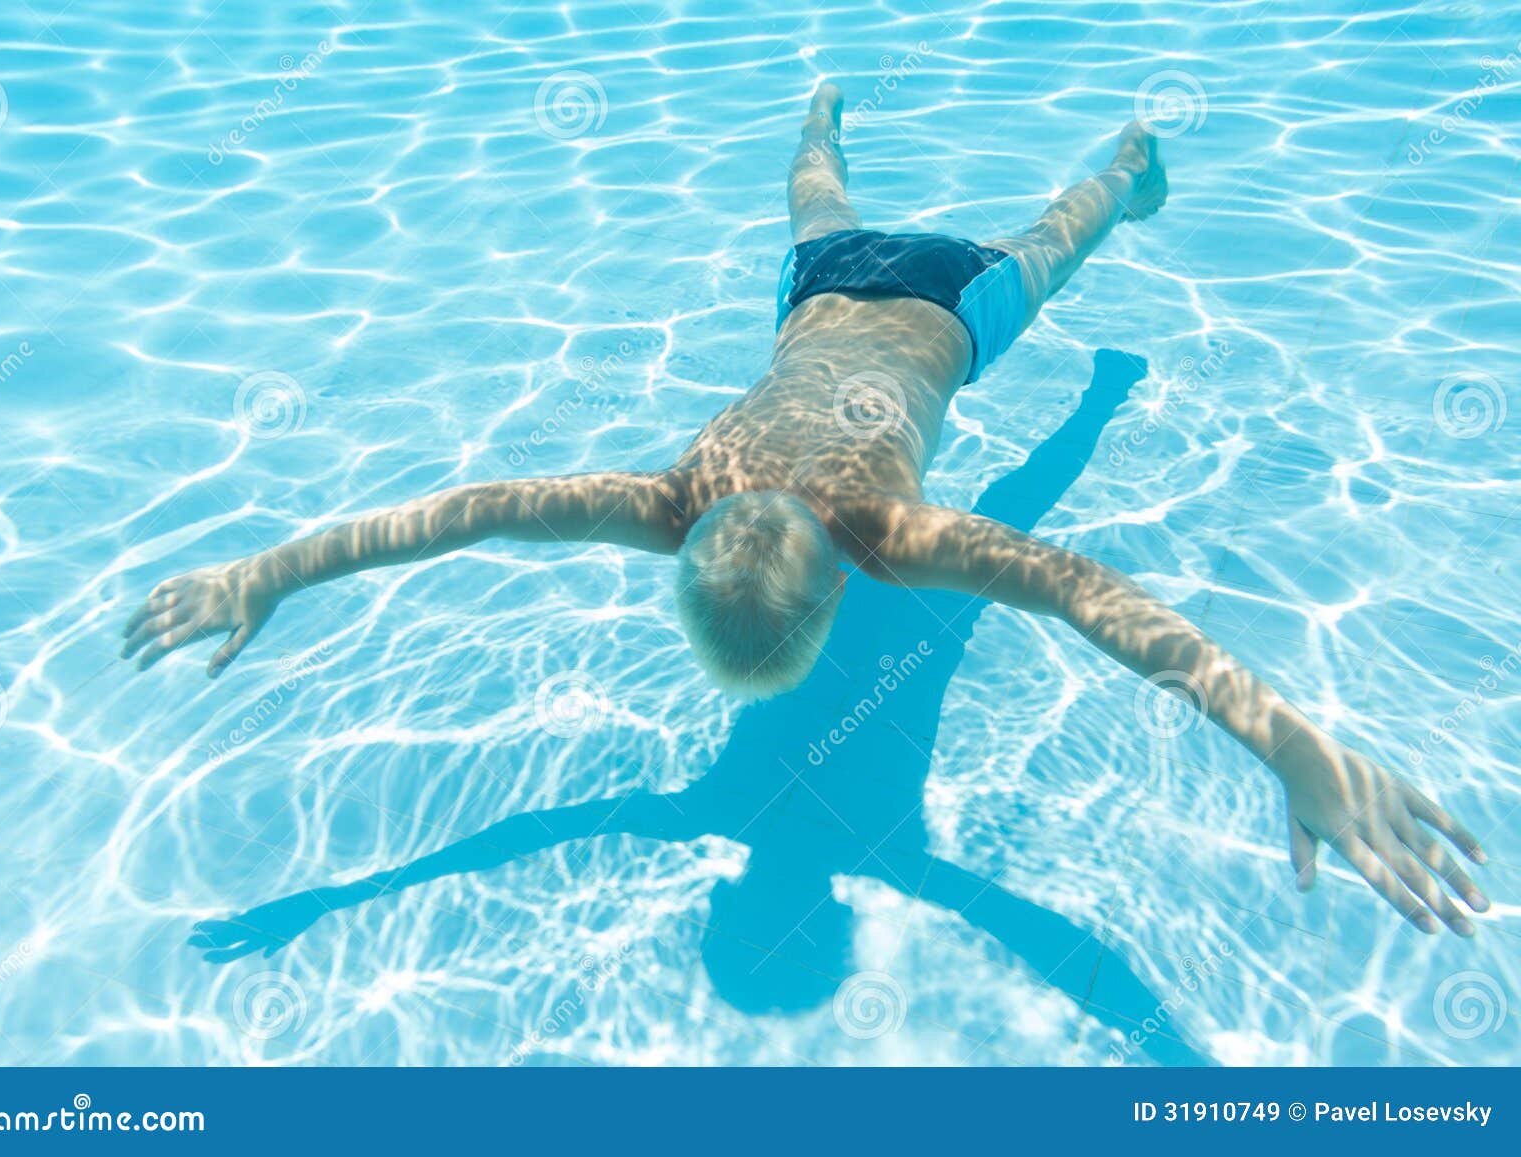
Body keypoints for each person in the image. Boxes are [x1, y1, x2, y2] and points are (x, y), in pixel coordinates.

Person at [126, 84, 1489, 935]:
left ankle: (1095, 163)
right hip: (835, 290)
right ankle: (1075, 159)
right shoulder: (675, 501)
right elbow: (470, 512)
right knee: (908, 217)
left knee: (1044, 245)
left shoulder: (847, 529)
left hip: (936, 300)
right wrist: (272, 571)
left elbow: (1086, 592)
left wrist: (1293, 747)